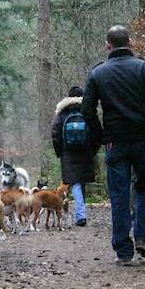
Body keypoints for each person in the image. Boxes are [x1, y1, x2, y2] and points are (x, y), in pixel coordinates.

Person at [82, 25, 145, 266]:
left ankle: (123, 249)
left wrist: (101, 135)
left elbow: (87, 110)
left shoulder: (98, 73)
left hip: (115, 141)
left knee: (119, 194)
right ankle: (143, 237)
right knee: (144, 188)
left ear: (107, 45)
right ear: (130, 43)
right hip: (144, 139)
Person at [51, 86, 96, 226]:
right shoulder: (87, 111)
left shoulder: (62, 113)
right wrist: (93, 149)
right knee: (80, 182)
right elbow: (96, 131)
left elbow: (56, 134)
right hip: (85, 152)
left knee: (75, 182)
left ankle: (81, 215)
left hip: (68, 153)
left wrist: (59, 151)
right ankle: (81, 214)